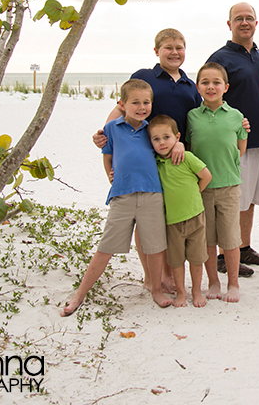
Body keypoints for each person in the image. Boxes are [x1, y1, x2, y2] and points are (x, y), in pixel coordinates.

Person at [92, 28, 202, 291]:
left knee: (166, 217)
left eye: (179, 47)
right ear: (157, 51)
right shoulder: (144, 76)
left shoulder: (190, 85)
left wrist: (182, 145)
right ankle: (152, 276)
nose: (174, 52)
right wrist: (105, 135)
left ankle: (166, 273)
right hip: (145, 153)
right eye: (168, 48)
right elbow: (121, 108)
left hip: (175, 158)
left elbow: (195, 120)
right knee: (146, 220)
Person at [62, 80, 171, 316]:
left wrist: (179, 145)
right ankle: (79, 294)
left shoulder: (152, 129)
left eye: (146, 102)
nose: (141, 107)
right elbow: (107, 156)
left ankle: (156, 288)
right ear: (122, 104)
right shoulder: (111, 128)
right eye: (135, 103)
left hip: (152, 194)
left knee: (154, 248)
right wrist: (110, 176)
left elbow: (167, 146)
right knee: (105, 248)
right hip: (122, 195)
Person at [207, 2, 259, 274]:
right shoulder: (220, 59)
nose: (244, 22)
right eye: (238, 18)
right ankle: (225, 255)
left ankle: (243, 248)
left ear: (256, 23)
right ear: (229, 24)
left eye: (249, 18)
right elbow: (209, 96)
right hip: (236, 145)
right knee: (232, 201)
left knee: (249, 200)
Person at [187, 63, 249, 302]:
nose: (211, 87)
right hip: (201, 189)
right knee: (207, 240)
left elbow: (240, 150)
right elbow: (190, 151)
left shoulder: (236, 116)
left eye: (216, 82)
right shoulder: (192, 117)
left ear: (226, 87)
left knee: (231, 239)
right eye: (205, 82)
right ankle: (213, 281)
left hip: (229, 186)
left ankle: (233, 283)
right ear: (197, 87)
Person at [148, 115, 213, 308]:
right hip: (172, 221)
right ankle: (182, 293)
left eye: (166, 137)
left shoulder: (187, 157)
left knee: (196, 258)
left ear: (177, 137)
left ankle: (197, 291)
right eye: (156, 139)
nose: (162, 143)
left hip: (195, 216)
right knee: (176, 261)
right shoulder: (155, 163)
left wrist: (195, 193)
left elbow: (206, 176)